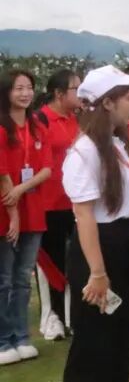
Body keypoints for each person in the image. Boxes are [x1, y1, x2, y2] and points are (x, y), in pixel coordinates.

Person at [62, 65, 129, 382]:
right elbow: (84, 215)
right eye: (128, 98)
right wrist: (98, 273)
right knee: (95, 343)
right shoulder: (85, 151)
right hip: (99, 249)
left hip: (124, 244)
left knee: (120, 339)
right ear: (106, 103)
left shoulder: (118, 145)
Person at [0, 70, 51, 365]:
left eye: (29, 87)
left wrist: (21, 189)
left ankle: (22, 337)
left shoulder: (36, 126)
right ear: (6, 92)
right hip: (6, 211)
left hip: (32, 211)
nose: (25, 93)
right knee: (4, 279)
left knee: (22, 279)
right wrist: (13, 213)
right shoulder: (2, 128)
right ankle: (4, 340)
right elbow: (3, 174)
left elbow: (46, 169)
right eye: (18, 88)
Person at [34, 68, 82, 342]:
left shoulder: (77, 119)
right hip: (48, 203)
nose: (80, 93)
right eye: (76, 88)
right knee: (50, 263)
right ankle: (51, 317)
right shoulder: (40, 120)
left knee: (74, 261)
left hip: (74, 202)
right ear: (59, 93)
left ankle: (70, 315)